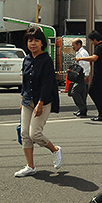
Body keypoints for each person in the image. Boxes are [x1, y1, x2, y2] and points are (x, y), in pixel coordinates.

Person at [15, 26, 62, 176]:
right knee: (24, 134)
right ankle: (30, 167)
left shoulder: (46, 60)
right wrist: (22, 99)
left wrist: (40, 103)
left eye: (36, 40)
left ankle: (55, 150)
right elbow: (25, 81)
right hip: (27, 100)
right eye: (30, 40)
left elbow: (47, 84)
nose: (33, 43)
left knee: (34, 134)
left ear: (42, 43)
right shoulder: (27, 59)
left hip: (43, 100)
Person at [76, 30, 102, 122]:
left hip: (99, 74)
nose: (91, 42)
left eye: (91, 41)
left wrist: (80, 58)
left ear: (95, 39)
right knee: (96, 93)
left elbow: (94, 58)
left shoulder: (99, 47)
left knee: (94, 92)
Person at [70, 39, 90, 116]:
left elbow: (86, 65)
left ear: (79, 45)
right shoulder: (78, 53)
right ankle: (82, 111)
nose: (72, 47)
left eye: (73, 45)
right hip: (79, 75)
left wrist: (86, 75)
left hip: (82, 75)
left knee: (74, 92)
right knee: (82, 94)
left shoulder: (83, 53)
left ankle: (82, 108)